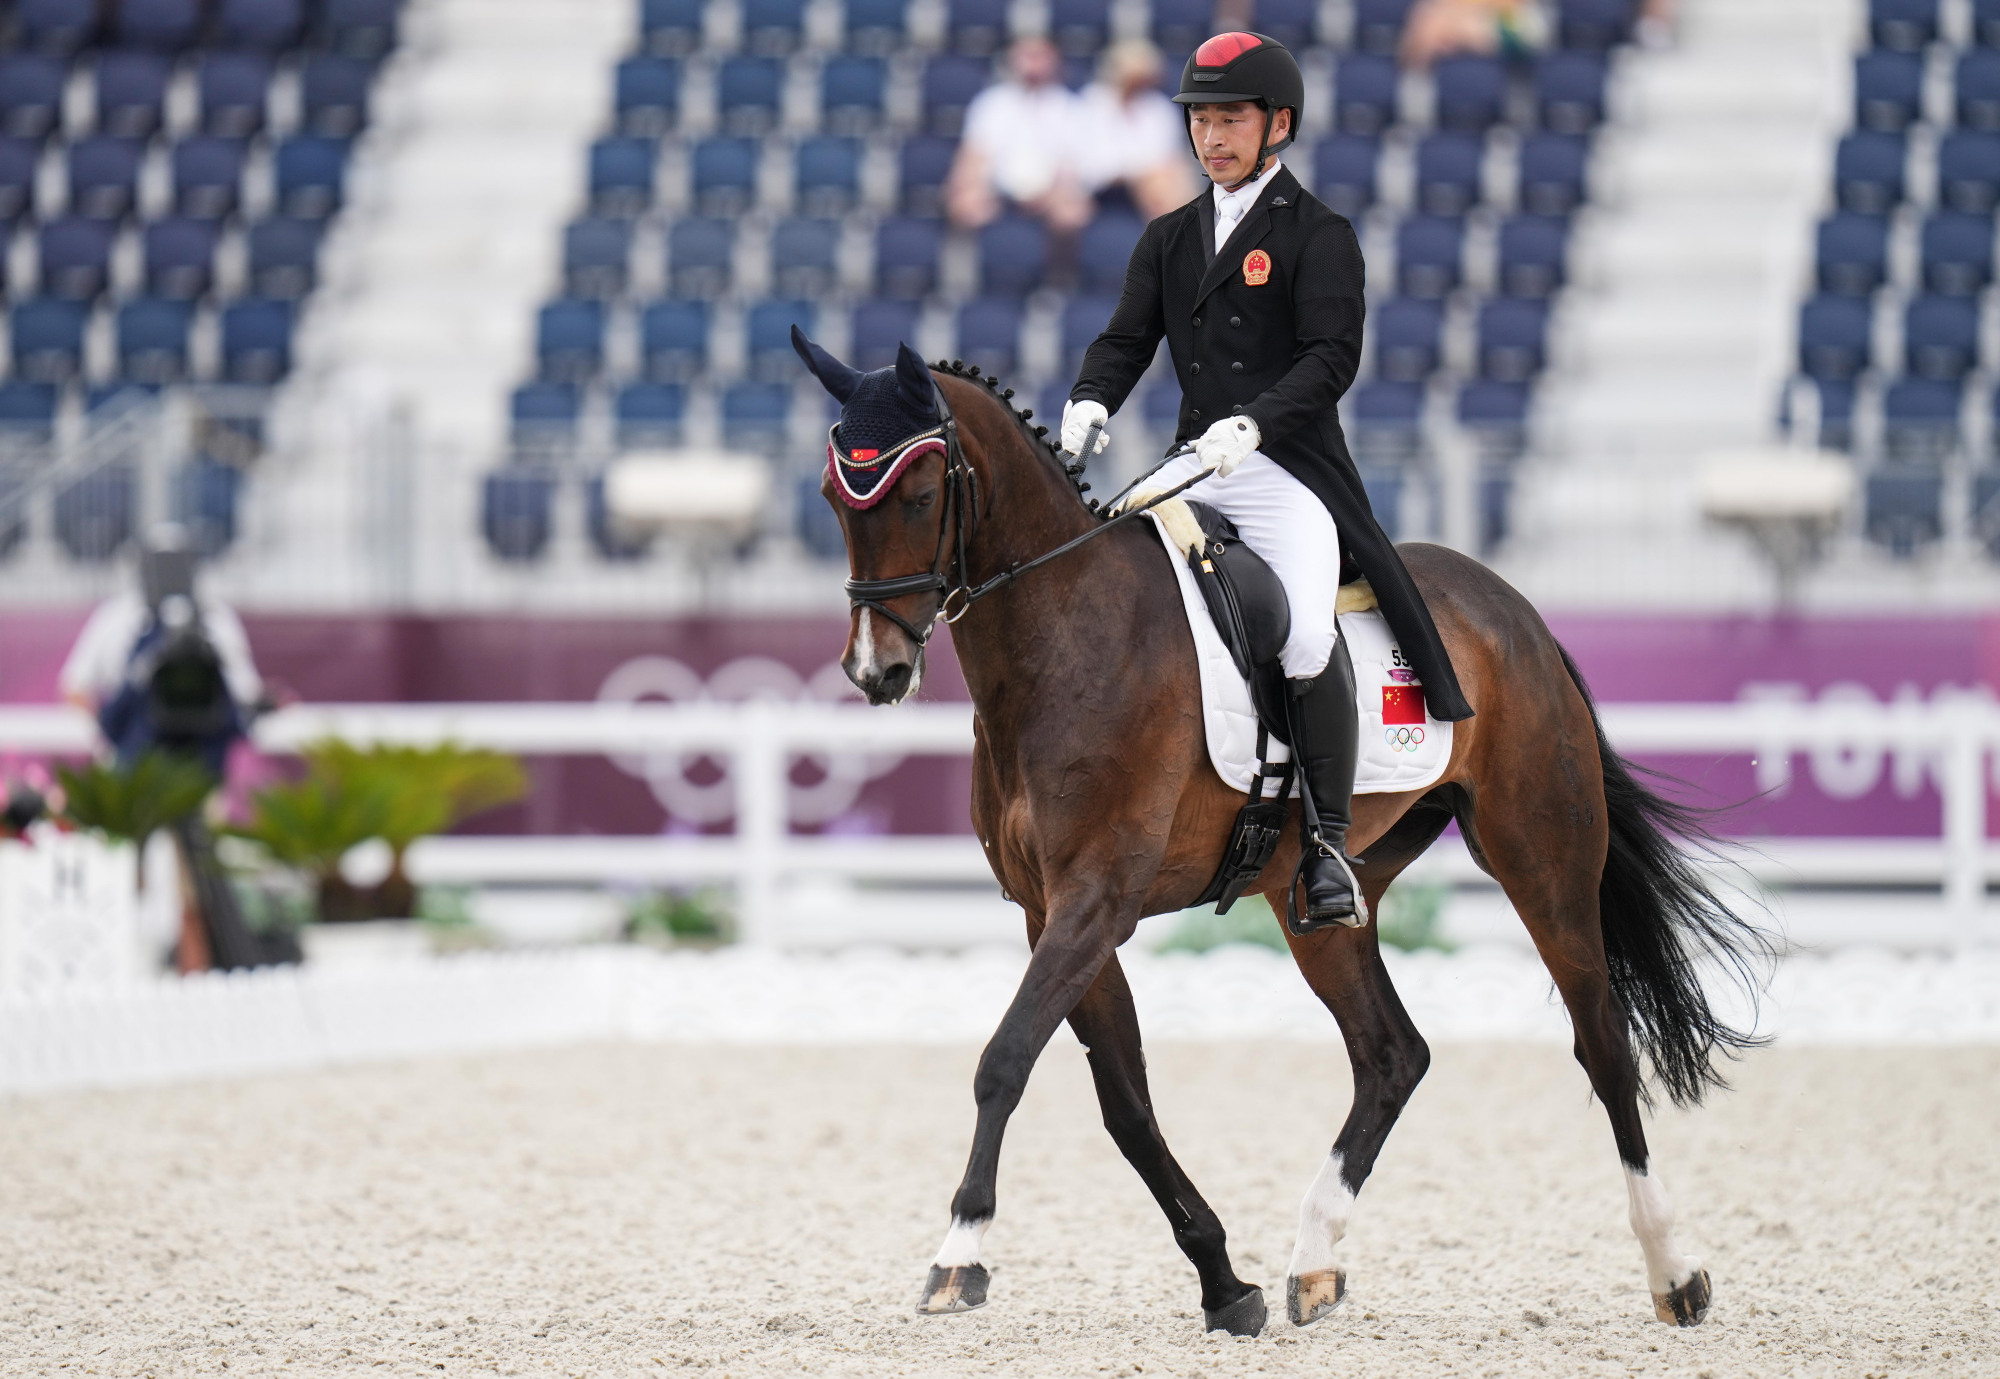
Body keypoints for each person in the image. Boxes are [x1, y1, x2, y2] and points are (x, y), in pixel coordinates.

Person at [1061, 31, 1474, 933]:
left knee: (1301, 634)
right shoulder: (1169, 236)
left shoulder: (1319, 234)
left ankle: (1327, 846)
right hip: (1195, 465)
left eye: (1230, 118)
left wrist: (1256, 421)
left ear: (1276, 124)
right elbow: (1127, 341)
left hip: (1286, 470)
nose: (1212, 136)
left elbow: (1333, 356)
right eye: (1201, 119)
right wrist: (1090, 399)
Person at [60, 525, 263, 779]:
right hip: (131, 760)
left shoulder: (217, 618)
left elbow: (245, 691)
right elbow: (75, 684)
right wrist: (108, 729)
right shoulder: (115, 617)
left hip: (202, 761)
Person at [946, 36, 1093, 232]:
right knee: (964, 204)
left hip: (1052, 193)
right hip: (997, 193)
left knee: (1073, 213)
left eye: (1040, 57)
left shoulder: (1069, 106)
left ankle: (1059, 263)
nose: (1034, 64)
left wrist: (1054, 192)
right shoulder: (992, 102)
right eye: (1028, 56)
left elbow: (1073, 162)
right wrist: (969, 187)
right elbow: (974, 155)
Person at [1073, 41, 1199, 220]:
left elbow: (1167, 156)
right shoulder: (1093, 102)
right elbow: (1094, 162)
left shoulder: (1158, 106)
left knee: (1174, 177)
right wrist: (1140, 169)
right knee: (1159, 183)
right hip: (1102, 184)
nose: (1137, 85)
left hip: (1151, 182)